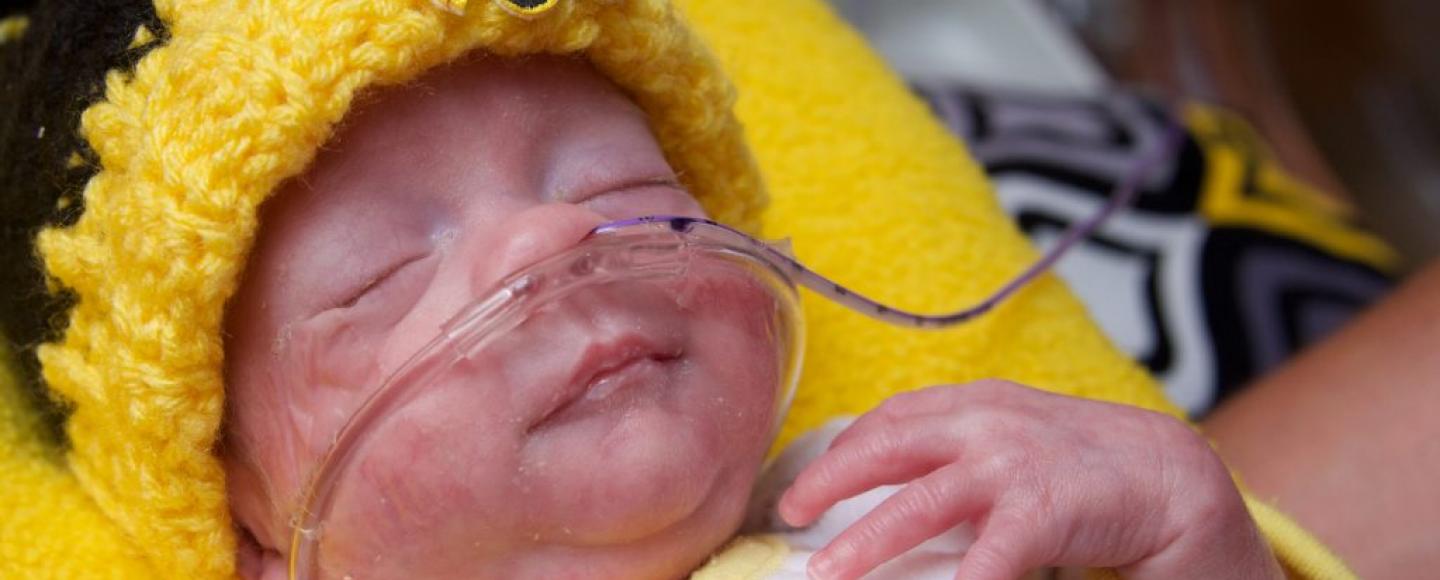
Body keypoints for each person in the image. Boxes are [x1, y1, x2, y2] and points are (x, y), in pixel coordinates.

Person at [0, 0, 1351, 578]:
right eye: (388, 277)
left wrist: (1203, 542)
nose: (547, 247)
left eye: (613, 191)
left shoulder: (927, 493)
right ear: (249, 537)